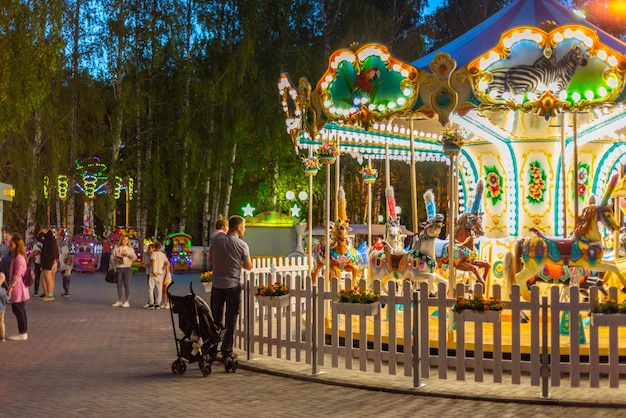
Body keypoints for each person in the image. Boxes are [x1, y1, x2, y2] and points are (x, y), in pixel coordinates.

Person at [209, 215, 252, 358]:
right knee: (231, 318)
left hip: (217, 285)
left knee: (216, 318)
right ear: (238, 227)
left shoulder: (216, 241)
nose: (244, 229)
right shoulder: (242, 245)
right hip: (232, 285)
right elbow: (248, 266)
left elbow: (210, 258)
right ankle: (227, 350)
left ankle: (213, 347)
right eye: (244, 226)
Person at [6, 234, 29, 340]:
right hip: (18, 287)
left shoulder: (19, 258)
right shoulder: (17, 257)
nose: (9, 246)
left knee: (18, 310)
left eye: (11, 244)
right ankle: (23, 332)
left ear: (16, 245)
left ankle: (23, 332)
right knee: (19, 310)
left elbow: (17, 274)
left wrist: (11, 286)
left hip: (18, 288)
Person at [111, 235, 137, 308]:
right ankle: (119, 300)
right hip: (119, 268)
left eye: (126, 240)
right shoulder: (116, 248)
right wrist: (115, 259)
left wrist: (128, 255)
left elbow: (135, 258)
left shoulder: (130, 249)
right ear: (121, 240)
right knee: (119, 285)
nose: (125, 241)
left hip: (127, 268)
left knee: (126, 284)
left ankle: (126, 301)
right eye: (124, 239)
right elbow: (112, 257)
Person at [145, 241, 168, 310]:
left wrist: (153, 270)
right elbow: (167, 263)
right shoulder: (163, 255)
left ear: (154, 247)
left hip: (153, 273)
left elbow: (153, 261)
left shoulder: (154, 254)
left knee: (151, 288)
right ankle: (158, 304)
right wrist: (163, 268)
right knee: (159, 288)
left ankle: (151, 303)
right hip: (160, 273)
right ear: (160, 247)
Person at [40, 228, 59, 301]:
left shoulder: (48, 242)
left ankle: (50, 294)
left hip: (48, 262)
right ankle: (47, 293)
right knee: (45, 278)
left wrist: (42, 233)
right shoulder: (52, 242)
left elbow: (39, 239)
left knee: (48, 278)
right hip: (51, 261)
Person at [31, 231, 45, 296]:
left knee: (38, 277)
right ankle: (46, 291)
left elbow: (33, 254)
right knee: (43, 277)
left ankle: (36, 291)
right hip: (44, 262)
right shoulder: (45, 244)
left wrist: (37, 253)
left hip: (38, 262)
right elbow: (33, 253)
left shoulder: (36, 245)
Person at [0, 272, 6, 342]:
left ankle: (2, 335)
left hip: (1, 309)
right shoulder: (3, 290)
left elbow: (6, 299)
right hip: (1, 309)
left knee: (1, 322)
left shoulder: (3, 290)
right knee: (1, 322)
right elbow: (6, 298)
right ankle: (2, 335)